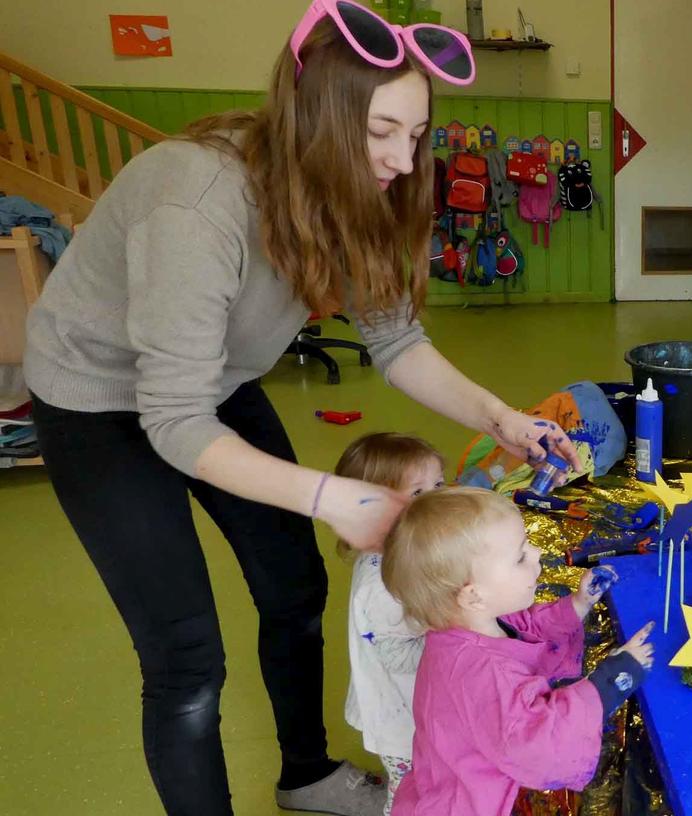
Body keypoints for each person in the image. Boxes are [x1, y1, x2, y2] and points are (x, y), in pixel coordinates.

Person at [23, 6, 580, 814]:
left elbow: (395, 341)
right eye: (381, 130)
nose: (402, 157)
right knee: (186, 660)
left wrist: (498, 416)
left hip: (208, 383)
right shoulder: (197, 198)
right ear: (316, 119)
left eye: (417, 134)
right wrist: (332, 494)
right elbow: (174, 423)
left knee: (292, 585)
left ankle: (304, 773)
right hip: (97, 402)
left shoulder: (349, 189)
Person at [381, 488, 654, 815]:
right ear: (473, 595)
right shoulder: (483, 674)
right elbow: (540, 744)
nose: (538, 553)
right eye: (520, 556)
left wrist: (577, 605)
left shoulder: (465, 625)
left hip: (446, 781)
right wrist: (610, 683)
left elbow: (520, 629)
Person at [333, 433, 448, 813]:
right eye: (418, 494)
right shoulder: (383, 587)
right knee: (412, 794)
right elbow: (401, 657)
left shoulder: (402, 550)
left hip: (409, 709)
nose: (436, 500)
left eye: (439, 485)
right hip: (401, 724)